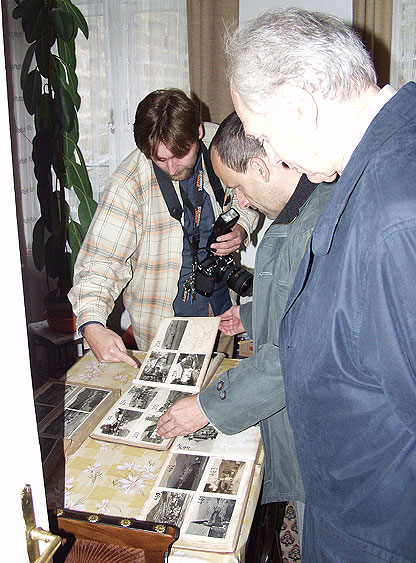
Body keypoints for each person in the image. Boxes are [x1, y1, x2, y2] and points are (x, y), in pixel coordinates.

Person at [227, 7, 416, 561]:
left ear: (301, 108)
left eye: (263, 135)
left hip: (378, 530)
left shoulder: (396, 212)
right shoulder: (377, 162)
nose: (275, 157)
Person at [157, 112, 335, 543]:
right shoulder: (304, 207)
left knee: (325, 536)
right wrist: (252, 316)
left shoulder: (316, 227)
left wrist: (206, 407)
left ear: (260, 166)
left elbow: (295, 352)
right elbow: (308, 308)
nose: (238, 201)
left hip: (329, 436)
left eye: (235, 187)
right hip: (317, 418)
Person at [69, 89, 257, 367]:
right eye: (160, 159)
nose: (171, 167)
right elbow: (100, 263)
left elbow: (253, 193)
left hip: (223, 312)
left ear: (199, 133)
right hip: (163, 330)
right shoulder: (128, 184)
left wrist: (241, 225)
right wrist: (92, 325)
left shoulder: (223, 146)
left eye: (180, 154)